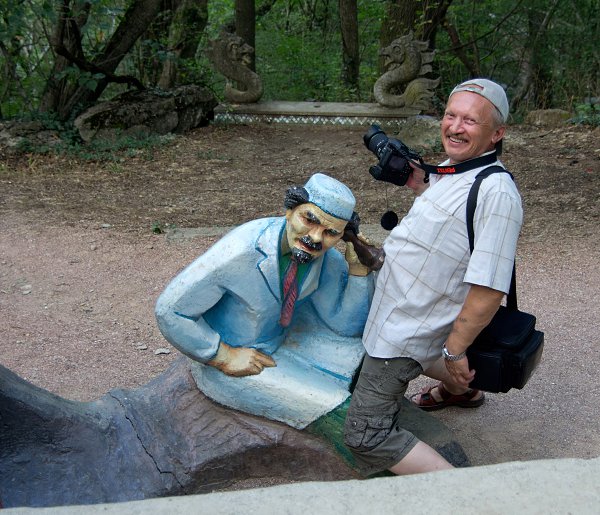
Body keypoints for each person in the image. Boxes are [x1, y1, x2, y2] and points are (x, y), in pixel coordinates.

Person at [344, 78, 523, 474]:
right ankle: (462, 390)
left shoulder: (497, 194)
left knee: (365, 437)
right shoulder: (455, 168)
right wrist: (419, 181)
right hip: (407, 311)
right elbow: (451, 216)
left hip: (405, 331)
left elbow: (488, 290)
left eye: (470, 121)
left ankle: (462, 492)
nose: (455, 127)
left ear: (497, 133)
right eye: (450, 115)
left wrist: (456, 351)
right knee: (438, 355)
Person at [155, 172, 376, 429]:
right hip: (234, 359)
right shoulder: (241, 251)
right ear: (289, 211)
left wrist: (358, 272)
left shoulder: (325, 259)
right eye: (309, 220)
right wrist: (222, 355)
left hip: (287, 340)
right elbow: (170, 311)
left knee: (370, 362)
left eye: (330, 232)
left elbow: (345, 326)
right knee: (338, 411)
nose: (316, 238)